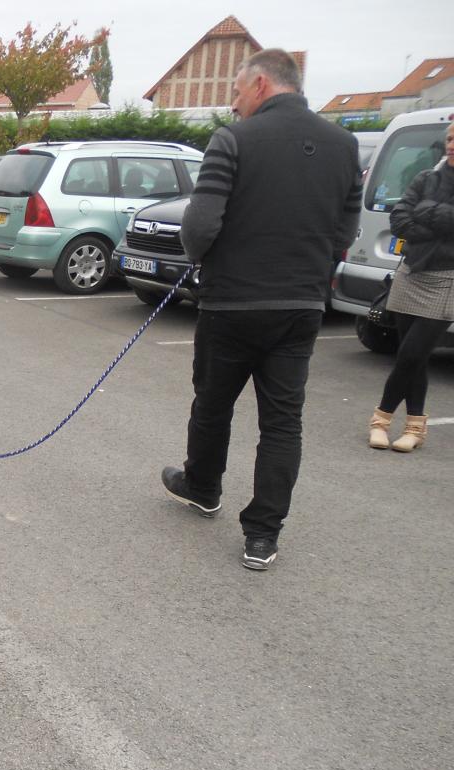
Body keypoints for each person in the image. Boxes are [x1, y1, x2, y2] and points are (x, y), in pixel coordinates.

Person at [161, 49, 362, 572]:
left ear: (261, 86)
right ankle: (262, 537)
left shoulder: (233, 141)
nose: (233, 102)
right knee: (282, 424)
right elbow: (346, 230)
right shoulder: (345, 146)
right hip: (300, 306)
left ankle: (203, 486)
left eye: (235, 90)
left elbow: (200, 227)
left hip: (233, 303)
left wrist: (202, 257)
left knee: (212, 403)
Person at [367, 122, 454, 454]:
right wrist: (440, 221)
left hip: (447, 278)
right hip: (411, 272)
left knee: (411, 355)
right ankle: (415, 427)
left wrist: (427, 214)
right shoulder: (426, 178)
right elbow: (400, 220)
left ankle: (381, 419)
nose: (452, 144)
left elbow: (424, 218)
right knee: (413, 358)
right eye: (449, 138)